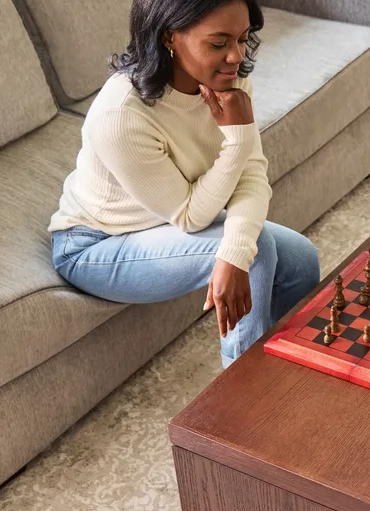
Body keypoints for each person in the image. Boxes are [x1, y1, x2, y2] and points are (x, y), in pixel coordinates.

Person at [49, 0, 319, 368]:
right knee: (251, 255)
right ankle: (248, 401)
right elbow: (191, 216)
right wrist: (238, 139)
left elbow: (252, 176)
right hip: (96, 244)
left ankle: (288, 369)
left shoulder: (229, 80)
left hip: (164, 221)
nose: (236, 56)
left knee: (301, 260)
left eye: (242, 39)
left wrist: (236, 244)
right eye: (219, 43)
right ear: (169, 38)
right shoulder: (121, 113)